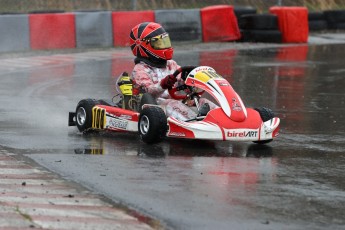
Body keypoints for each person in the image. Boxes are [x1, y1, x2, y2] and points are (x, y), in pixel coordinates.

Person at [129, 22, 215, 121]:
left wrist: (191, 80)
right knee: (173, 104)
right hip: (154, 107)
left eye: (165, 42)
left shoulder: (171, 64)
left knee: (203, 102)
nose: (164, 46)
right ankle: (197, 124)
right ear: (143, 46)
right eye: (159, 43)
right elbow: (148, 93)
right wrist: (163, 85)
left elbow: (182, 79)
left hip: (175, 102)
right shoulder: (140, 69)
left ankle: (226, 121)